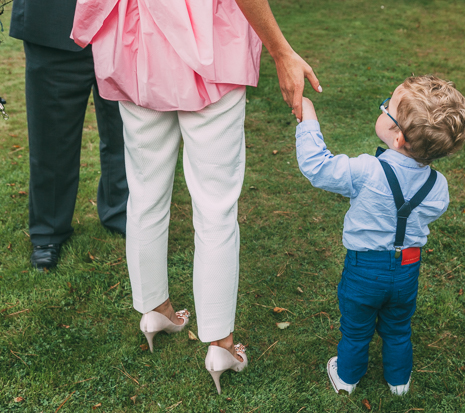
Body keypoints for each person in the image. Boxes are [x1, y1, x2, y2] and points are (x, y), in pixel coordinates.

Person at [71, 0, 320, 394]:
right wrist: (280, 50)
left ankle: (155, 311)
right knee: (215, 206)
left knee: (145, 189)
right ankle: (220, 345)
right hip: (206, 45)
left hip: (137, 43)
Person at [295, 75, 465, 395]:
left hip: (364, 269)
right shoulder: (439, 187)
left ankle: (347, 379)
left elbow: (318, 168)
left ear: (399, 139)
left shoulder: (367, 171)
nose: (382, 110)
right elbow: (434, 210)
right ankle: (399, 383)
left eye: (386, 109)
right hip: (407, 269)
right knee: (398, 329)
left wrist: (308, 120)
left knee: (356, 330)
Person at [9, 0, 128, 271]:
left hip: (125, 22)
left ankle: (123, 212)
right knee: (51, 138)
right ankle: (49, 231)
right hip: (53, 17)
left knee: (127, 135)